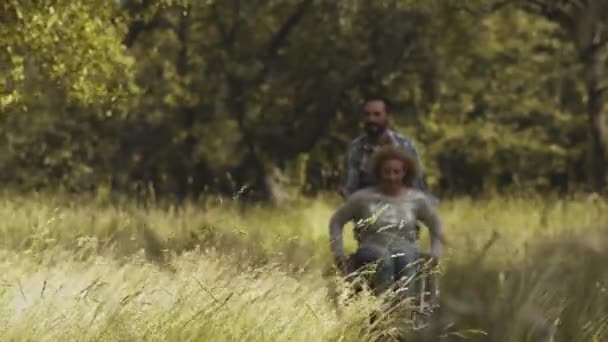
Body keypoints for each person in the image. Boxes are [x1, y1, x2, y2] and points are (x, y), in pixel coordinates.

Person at [329, 145, 445, 298]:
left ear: (404, 173)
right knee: (384, 259)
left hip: (406, 247)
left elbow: (435, 223)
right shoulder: (363, 198)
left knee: (405, 258)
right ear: (379, 173)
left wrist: (435, 252)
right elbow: (336, 220)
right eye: (387, 172)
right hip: (371, 247)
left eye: (396, 172)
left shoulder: (416, 199)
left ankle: (404, 308)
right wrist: (338, 251)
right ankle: (384, 306)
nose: (391, 177)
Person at [340, 96, 428, 199]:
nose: (371, 119)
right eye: (367, 114)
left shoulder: (405, 145)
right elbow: (349, 189)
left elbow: (418, 186)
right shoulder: (356, 148)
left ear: (388, 117)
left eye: (377, 114)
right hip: (367, 207)